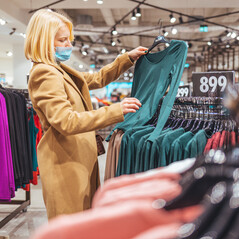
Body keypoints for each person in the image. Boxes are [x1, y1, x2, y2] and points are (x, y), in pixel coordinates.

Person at [24, 9, 147, 220]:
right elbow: (66, 121)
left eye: (68, 40)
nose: (69, 45)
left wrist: (125, 59)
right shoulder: (45, 73)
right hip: (65, 164)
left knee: (82, 222)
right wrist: (115, 110)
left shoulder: (58, 69)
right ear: (44, 41)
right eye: (63, 40)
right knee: (70, 226)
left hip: (77, 158)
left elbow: (94, 79)